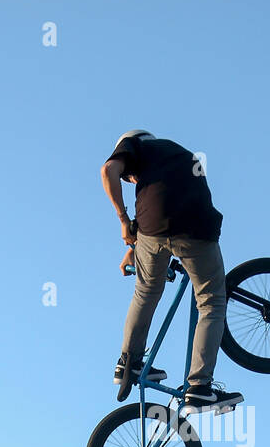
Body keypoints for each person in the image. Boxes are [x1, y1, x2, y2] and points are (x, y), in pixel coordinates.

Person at [101, 130, 243, 414]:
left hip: (156, 227)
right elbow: (170, 196)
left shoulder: (134, 146)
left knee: (147, 289)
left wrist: (123, 218)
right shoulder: (174, 154)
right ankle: (198, 387)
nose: (131, 181)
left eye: (131, 180)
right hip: (195, 226)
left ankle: (129, 361)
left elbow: (108, 170)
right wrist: (134, 245)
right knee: (212, 302)